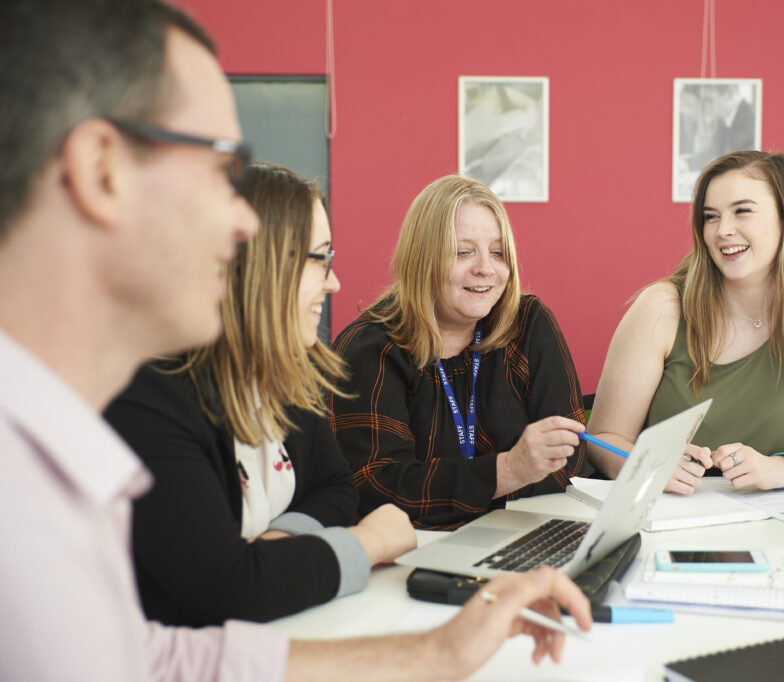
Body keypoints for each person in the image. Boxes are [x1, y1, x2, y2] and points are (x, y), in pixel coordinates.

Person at [0, 1, 591, 680]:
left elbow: (149, 662)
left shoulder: (58, 429)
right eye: (220, 167)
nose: (244, 222)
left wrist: (442, 652)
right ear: (102, 169)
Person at [103, 162, 417, 626]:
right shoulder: (152, 395)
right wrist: (368, 543)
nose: (334, 282)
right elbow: (230, 592)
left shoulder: (283, 369)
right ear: (267, 265)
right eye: (322, 258)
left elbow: (334, 487)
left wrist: (275, 550)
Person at [586, 151, 784, 494]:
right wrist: (650, 466)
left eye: (742, 211)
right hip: (666, 520)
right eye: (711, 217)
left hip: (780, 523)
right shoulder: (661, 307)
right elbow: (602, 440)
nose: (723, 231)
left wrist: (780, 468)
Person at [331, 175, 590, 529]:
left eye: (498, 253)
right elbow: (378, 488)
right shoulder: (370, 349)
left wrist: (459, 494)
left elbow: (570, 457)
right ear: (421, 260)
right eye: (462, 251)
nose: (485, 267)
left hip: (522, 532)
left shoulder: (528, 322)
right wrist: (509, 471)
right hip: (414, 551)